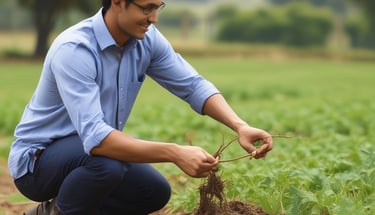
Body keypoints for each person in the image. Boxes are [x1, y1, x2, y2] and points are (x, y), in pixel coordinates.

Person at [8, 0, 274, 214]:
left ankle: (49, 211)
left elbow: (192, 85)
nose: (154, 18)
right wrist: (174, 152)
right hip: (38, 164)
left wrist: (239, 125)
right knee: (107, 166)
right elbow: (97, 139)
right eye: (146, 8)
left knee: (153, 191)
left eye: (158, 7)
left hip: (93, 153)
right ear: (118, 2)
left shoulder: (147, 40)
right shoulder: (76, 49)